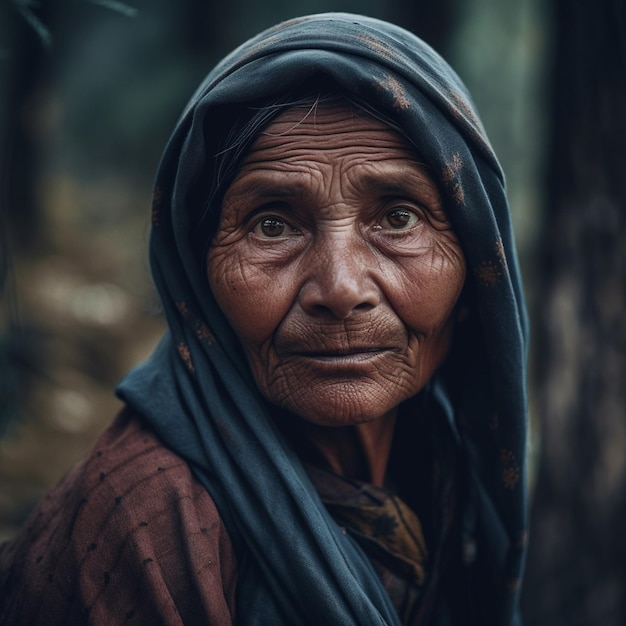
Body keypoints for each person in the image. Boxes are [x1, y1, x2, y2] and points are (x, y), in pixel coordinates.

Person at [0, 13, 529, 625]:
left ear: (477, 258)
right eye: (272, 224)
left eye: (399, 218)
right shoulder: (146, 523)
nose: (340, 288)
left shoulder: (444, 460)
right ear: (196, 277)